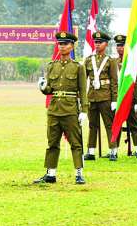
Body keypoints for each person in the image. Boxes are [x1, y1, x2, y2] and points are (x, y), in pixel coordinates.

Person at [35, 31, 89, 184]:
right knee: (52, 142)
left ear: (72, 46)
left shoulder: (78, 67)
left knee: (76, 143)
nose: (62, 46)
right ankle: (50, 174)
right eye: (60, 44)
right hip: (54, 110)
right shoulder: (52, 66)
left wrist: (84, 110)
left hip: (70, 109)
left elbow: (82, 91)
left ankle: (79, 173)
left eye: (65, 44)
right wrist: (43, 87)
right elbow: (50, 90)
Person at [83, 31, 119, 161]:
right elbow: (83, 80)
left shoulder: (110, 61)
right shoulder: (88, 60)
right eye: (96, 42)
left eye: (100, 42)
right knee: (92, 125)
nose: (97, 44)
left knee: (109, 125)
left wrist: (114, 99)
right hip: (92, 96)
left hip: (106, 97)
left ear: (106, 44)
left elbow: (114, 82)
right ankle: (91, 151)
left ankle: (113, 150)